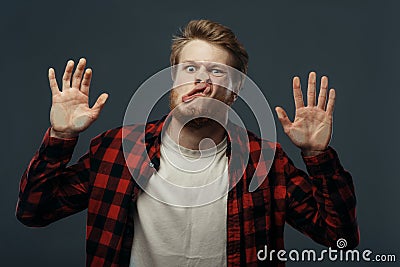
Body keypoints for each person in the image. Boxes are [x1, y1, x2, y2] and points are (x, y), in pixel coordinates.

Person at [16, 19, 359, 267]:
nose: (201, 82)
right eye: (190, 69)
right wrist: (61, 137)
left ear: (236, 90)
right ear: (172, 80)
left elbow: (339, 239)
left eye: (217, 72)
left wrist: (317, 155)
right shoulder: (118, 149)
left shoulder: (265, 162)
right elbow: (34, 211)